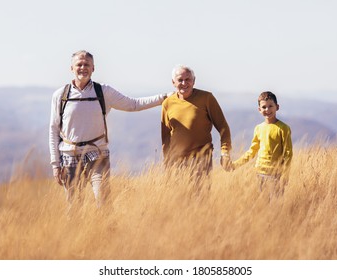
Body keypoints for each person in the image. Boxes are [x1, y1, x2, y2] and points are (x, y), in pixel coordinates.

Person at [49, 50, 169, 206]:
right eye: (79, 64)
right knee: (74, 206)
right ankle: (77, 231)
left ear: (93, 68)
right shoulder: (60, 95)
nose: (83, 67)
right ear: (71, 68)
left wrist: (164, 98)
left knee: (103, 201)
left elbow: (133, 104)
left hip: (97, 153)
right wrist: (55, 164)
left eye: (87, 64)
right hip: (69, 154)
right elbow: (53, 130)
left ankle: (106, 230)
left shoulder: (103, 92)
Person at [161, 65, 232, 191]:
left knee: (200, 200)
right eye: (180, 80)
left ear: (194, 80)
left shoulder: (207, 98)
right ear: (173, 83)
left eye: (188, 79)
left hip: (201, 159)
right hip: (177, 162)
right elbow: (166, 137)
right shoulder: (168, 103)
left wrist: (225, 152)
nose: (184, 83)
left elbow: (223, 128)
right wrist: (167, 161)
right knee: (178, 202)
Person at [231, 91, 293, 199]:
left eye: (270, 106)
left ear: (277, 107)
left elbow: (288, 153)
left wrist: (285, 175)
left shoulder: (284, 128)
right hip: (260, 173)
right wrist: (235, 164)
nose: (267, 110)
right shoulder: (258, 128)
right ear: (259, 110)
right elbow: (252, 151)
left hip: (276, 175)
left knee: (276, 205)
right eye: (264, 107)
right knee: (263, 205)